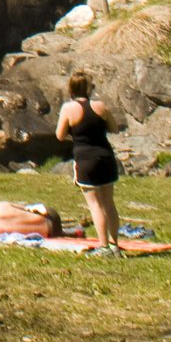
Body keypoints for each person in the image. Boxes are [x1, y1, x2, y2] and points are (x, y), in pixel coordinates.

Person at [56, 72, 122, 250]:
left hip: (86, 159)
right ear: (88, 88)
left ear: (71, 88)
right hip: (106, 157)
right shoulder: (101, 106)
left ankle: (103, 245)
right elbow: (114, 128)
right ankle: (115, 244)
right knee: (109, 203)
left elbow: (60, 135)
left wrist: (77, 134)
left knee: (95, 205)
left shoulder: (68, 109)